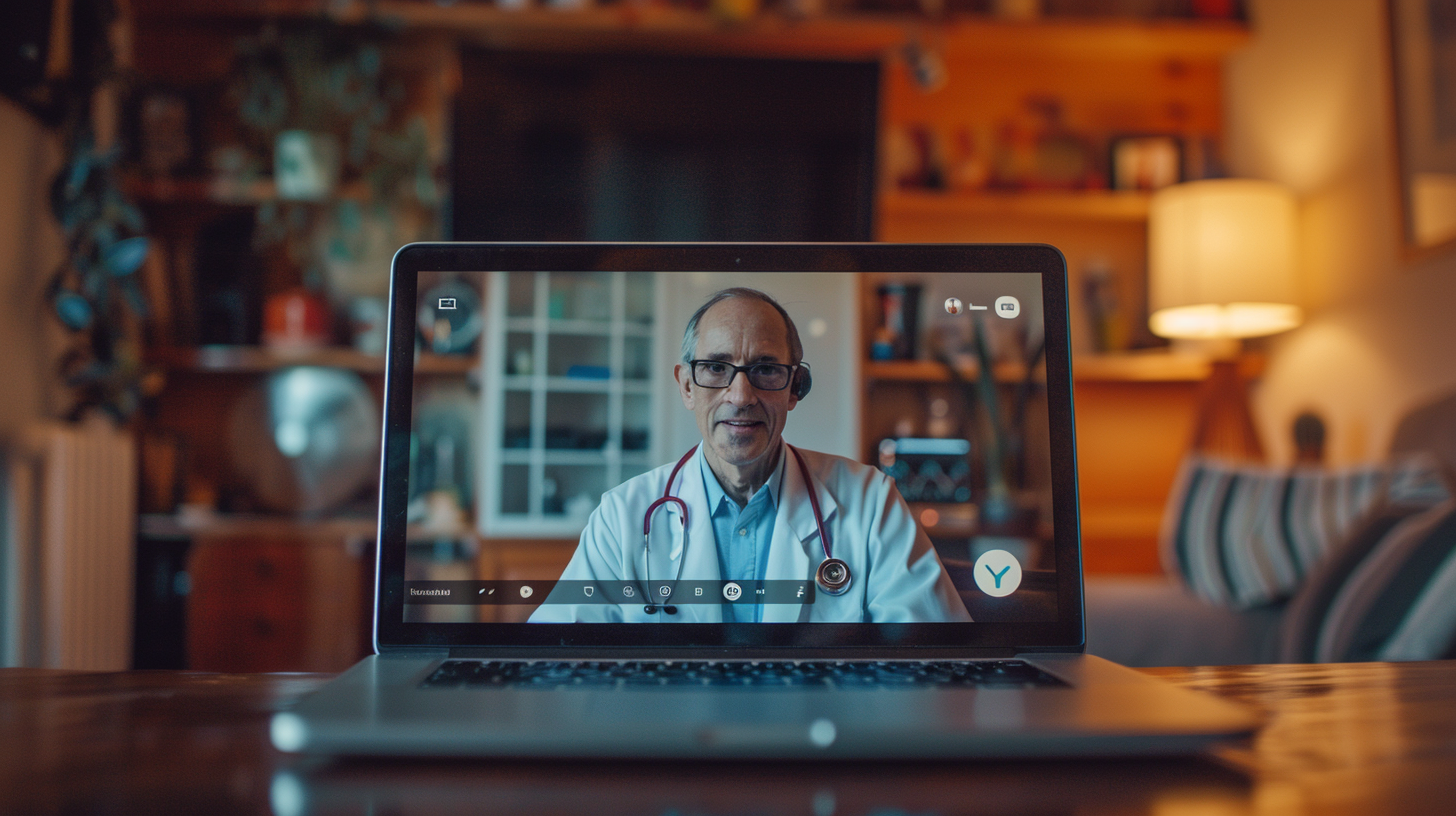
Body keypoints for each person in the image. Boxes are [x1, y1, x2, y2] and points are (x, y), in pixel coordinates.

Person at [529, 288, 970, 623]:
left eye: (765, 369)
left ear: (794, 388)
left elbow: (933, 663)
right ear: (686, 386)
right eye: (716, 368)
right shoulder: (622, 517)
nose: (740, 396)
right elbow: (553, 666)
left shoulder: (871, 502)